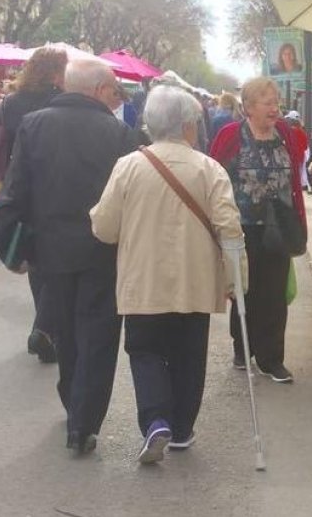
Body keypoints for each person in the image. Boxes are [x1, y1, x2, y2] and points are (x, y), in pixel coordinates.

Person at [0, 59, 142, 454]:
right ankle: (84, 420)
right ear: (95, 90)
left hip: (50, 251)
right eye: (112, 89)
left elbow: (16, 188)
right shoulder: (120, 133)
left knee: (65, 332)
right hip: (103, 250)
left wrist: (10, 245)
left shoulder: (34, 125)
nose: (116, 96)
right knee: (99, 334)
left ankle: (73, 402)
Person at [90, 86, 244, 462]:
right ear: (190, 125)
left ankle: (156, 419)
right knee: (190, 353)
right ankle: (182, 428)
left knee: (144, 350)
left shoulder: (128, 166)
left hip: (143, 282)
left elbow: (103, 228)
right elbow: (230, 231)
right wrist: (238, 282)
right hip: (196, 282)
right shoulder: (210, 169)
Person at [210, 77, 307, 384]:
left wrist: (299, 221)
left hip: (277, 225)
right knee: (244, 290)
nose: (275, 108)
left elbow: (294, 180)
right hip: (241, 228)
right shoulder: (231, 135)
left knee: (275, 294)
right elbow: (213, 175)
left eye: (276, 102)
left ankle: (271, 359)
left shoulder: (286, 135)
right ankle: (243, 347)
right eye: (268, 103)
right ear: (249, 107)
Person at [0, 46, 68, 363]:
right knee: (58, 258)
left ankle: (44, 325)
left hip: (18, 188)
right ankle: (45, 327)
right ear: (58, 73)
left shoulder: (11, 103)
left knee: (34, 257)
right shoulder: (60, 101)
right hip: (57, 187)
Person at [284, 110, 310, 192]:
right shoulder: (302, 132)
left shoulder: (288, 132)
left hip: (289, 157)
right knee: (297, 177)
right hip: (300, 158)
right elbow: (305, 147)